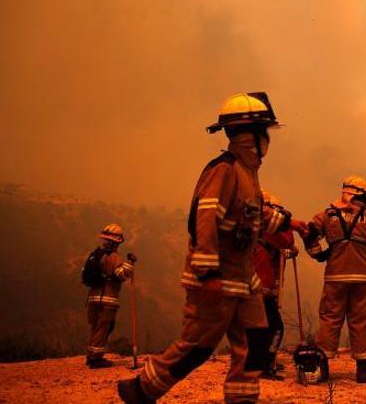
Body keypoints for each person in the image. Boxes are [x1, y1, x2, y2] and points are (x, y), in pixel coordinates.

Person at [118, 92, 306, 404]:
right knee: (196, 347)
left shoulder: (248, 175)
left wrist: (291, 224)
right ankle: (142, 390)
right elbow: (203, 220)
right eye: (265, 134)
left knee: (256, 344)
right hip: (217, 282)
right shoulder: (224, 170)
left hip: (245, 283)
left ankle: (241, 399)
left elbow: (252, 216)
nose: (267, 142)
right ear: (251, 136)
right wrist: (207, 274)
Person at [303, 175, 366, 383]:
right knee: (362, 320)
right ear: (362, 195)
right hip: (364, 278)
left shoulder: (328, 215)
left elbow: (308, 232)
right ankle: (362, 370)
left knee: (330, 319)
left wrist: (318, 254)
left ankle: (321, 368)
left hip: (335, 277)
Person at [249, 191, 298, 380]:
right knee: (275, 327)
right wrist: (285, 223)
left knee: (255, 328)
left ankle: (255, 363)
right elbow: (286, 240)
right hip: (261, 288)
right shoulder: (267, 229)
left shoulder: (250, 227)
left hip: (250, 286)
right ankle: (264, 364)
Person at [83, 223, 135, 368]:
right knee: (104, 328)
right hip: (107, 299)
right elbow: (121, 274)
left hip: (92, 299)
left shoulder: (96, 254)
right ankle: (96, 359)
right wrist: (130, 263)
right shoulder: (113, 257)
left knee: (95, 327)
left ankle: (90, 355)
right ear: (117, 241)